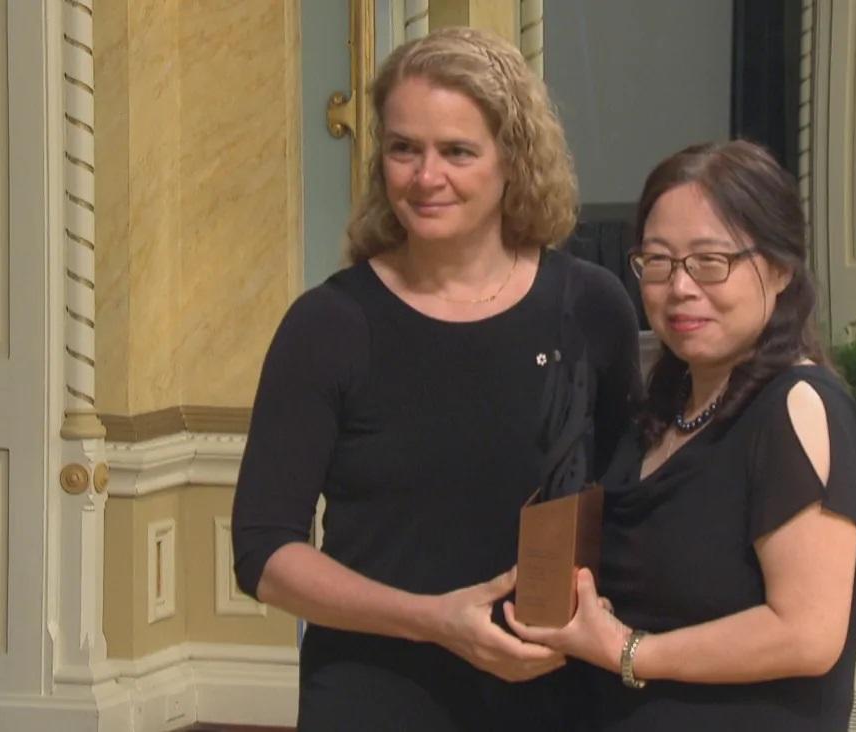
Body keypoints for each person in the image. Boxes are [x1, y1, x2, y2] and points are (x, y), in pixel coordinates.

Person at [231, 27, 639, 732]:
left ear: (514, 160)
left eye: (457, 151)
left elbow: (623, 511)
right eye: (403, 149)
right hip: (374, 693)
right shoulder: (327, 325)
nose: (425, 177)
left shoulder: (592, 308)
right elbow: (264, 553)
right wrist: (433, 621)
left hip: (553, 692)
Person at [506, 140, 856, 730]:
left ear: (778, 269)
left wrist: (627, 651)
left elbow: (806, 633)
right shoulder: (667, 404)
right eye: (659, 262)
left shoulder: (796, 407)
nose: (680, 288)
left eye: (709, 261)